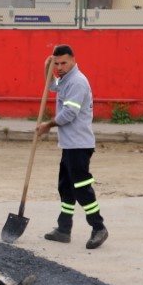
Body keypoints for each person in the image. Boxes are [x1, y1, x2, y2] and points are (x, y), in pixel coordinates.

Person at [36, 44, 108, 249]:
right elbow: (51, 87)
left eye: (63, 63)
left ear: (73, 61)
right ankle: (63, 229)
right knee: (65, 187)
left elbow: (69, 114)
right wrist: (46, 68)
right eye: (56, 64)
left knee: (82, 188)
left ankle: (98, 228)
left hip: (79, 144)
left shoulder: (77, 82)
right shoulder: (66, 80)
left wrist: (48, 125)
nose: (59, 67)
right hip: (69, 145)